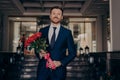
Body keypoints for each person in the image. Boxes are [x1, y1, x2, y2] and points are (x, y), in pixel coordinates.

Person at [36, 6, 76, 80]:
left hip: (59, 72)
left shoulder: (67, 33)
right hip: (43, 71)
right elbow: (37, 48)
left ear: (62, 17)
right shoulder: (42, 31)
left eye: (58, 14)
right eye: (54, 13)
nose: (56, 16)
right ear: (50, 16)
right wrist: (40, 53)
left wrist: (60, 62)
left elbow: (73, 53)